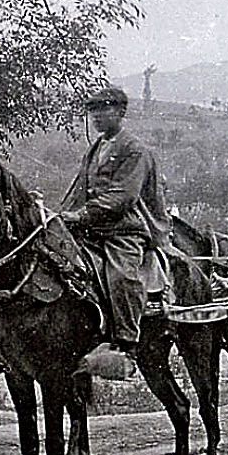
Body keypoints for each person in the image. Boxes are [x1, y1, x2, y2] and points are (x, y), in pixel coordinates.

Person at [61, 85, 171, 376]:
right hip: (91, 227)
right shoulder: (96, 148)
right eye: (93, 110)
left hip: (124, 228)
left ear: (120, 112)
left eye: (103, 110)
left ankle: (126, 344)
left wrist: (82, 215)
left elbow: (124, 196)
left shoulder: (135, 150)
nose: (96, 116)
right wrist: (61, 215)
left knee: (121, 276)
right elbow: (79, 190)